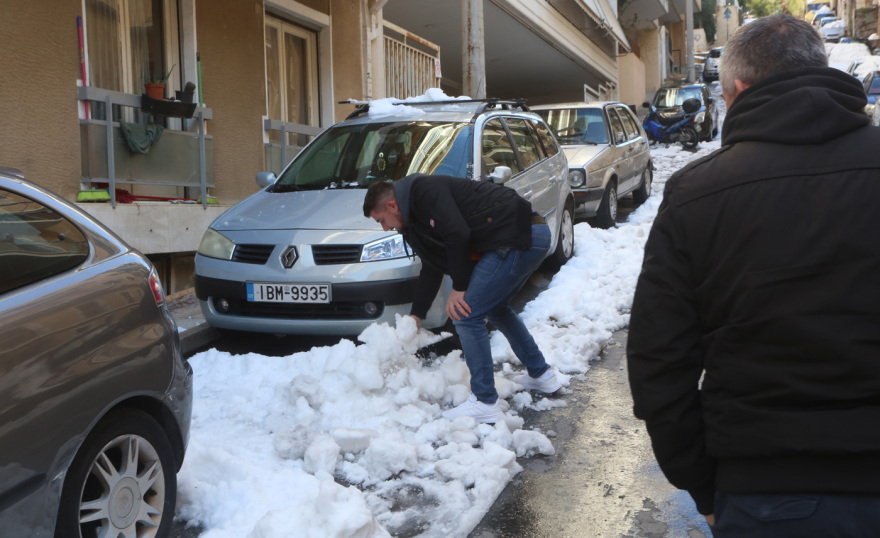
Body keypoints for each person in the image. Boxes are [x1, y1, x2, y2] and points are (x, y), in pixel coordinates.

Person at [627, 14, 880, 536]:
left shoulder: (698, 194)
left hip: (766, 493)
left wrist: (702, 483)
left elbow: (659, 363)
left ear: (738, 90)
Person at [363, 174, 561, 423]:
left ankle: (485, 400)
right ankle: (541, 374)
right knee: (496, 309)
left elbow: (458, 234)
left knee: (466, 314)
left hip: (519, 236)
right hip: (524, 235)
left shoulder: (423, 192)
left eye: (381, 220)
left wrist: (460, 286)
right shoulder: (414, 221)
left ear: (392, 206)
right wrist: (417, 315)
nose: (384, 227)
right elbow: (432, 267)